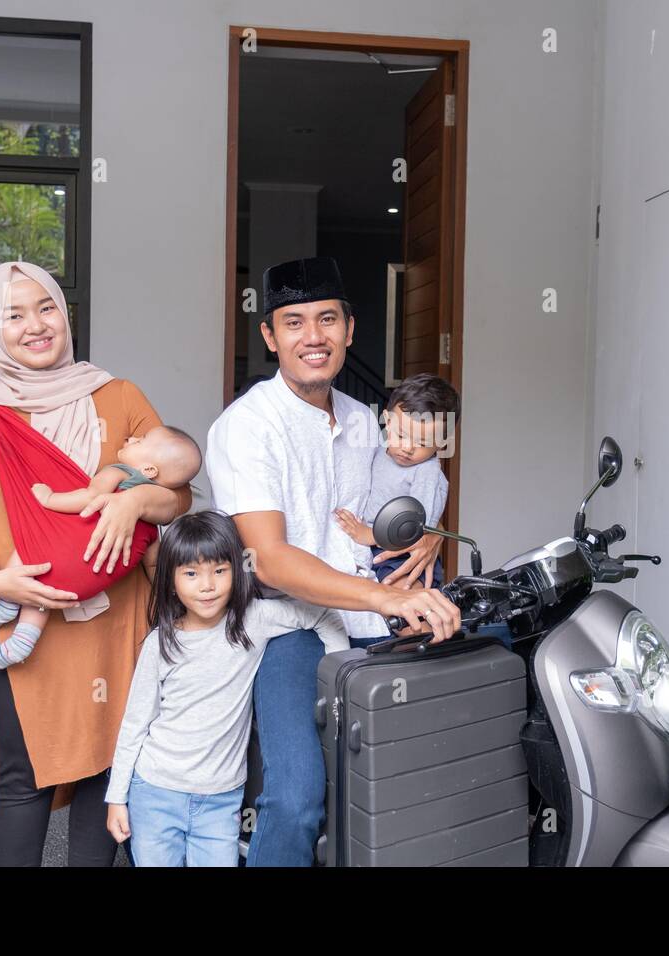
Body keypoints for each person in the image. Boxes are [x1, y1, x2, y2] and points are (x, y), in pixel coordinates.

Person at [206, 255, 461, 866]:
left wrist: (433, 532)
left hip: (370, 623)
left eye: (327, 319)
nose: (312, 336)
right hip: (288, 629)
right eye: (293, 323)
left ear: (350, 329)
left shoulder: (364, 421)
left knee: (414, 771)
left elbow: (409, 492)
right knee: (296, 800)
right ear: (269, 337)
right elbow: (267, 559)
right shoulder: (247, 427)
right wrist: (387, 596)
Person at [0, 260, 191, 866]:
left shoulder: (120, 396)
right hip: (21, 615)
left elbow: (176, 492)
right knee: (26, 777)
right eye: (13, 315)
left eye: (45, 307)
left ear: (65, 313)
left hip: (117, 619)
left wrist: (134, 504)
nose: (35, 326)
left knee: (109, 767)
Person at [104, 511, 347, 867]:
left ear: (237, 569)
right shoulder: (160, 643)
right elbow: (135, 723)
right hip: (156, 790)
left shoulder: (255, 620)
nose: (207, 585)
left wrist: (336, 672)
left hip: (220, 801)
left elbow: (322, 614)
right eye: (191, 573)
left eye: (219, 571)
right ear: (171, 580)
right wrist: (117, 798)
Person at [0, 425, 202, 669]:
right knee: (48, 585)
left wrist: (49, 498)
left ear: (148, 469)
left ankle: (7, 605)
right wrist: (163, 591)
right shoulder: (152, 518)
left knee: (31, 548)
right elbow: (153, 560)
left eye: (141, 440)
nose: (132, 438)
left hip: (67, 555)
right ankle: (23, 639)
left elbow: (89, 496)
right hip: (93, 578)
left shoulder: (118, 472)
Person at [334, 372, 460, 592]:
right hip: (374, 548)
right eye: (401, 435)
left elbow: (417, 530)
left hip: (402, 554)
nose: (407, 448)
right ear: (388, 421)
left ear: (441, 443)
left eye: (422, 442)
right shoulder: (379, 450)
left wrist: (368, 535)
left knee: (407, 601)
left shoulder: (427, 473)